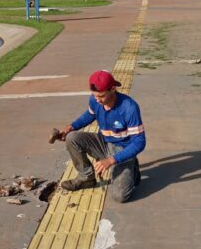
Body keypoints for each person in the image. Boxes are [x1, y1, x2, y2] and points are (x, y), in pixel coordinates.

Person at [56, 70, 145, 203]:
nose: (97, 100)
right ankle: (86, 178)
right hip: (104, 142)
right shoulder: (95, 100)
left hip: (122, 149)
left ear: (113, 89)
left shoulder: (129, 107)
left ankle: (132, 168)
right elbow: (90, 114)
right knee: (72, 138)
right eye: (94, 95)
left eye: (101, 96)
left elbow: (139, 142)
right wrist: (72, 127)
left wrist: (111, 160)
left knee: (120, 196)